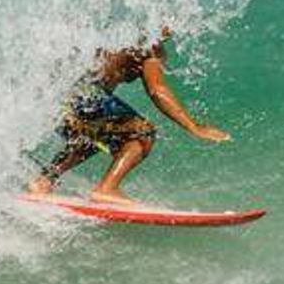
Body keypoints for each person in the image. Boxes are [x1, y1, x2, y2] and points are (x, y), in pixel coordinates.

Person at [25, 29, 230, 205]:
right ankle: (107, 189)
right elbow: (157, 90)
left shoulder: (122, 33)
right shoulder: (151, 48)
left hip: (55, 98)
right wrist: (194, 127)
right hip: (83, 96)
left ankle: (44, 181)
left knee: (95, 135)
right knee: (143, 132)